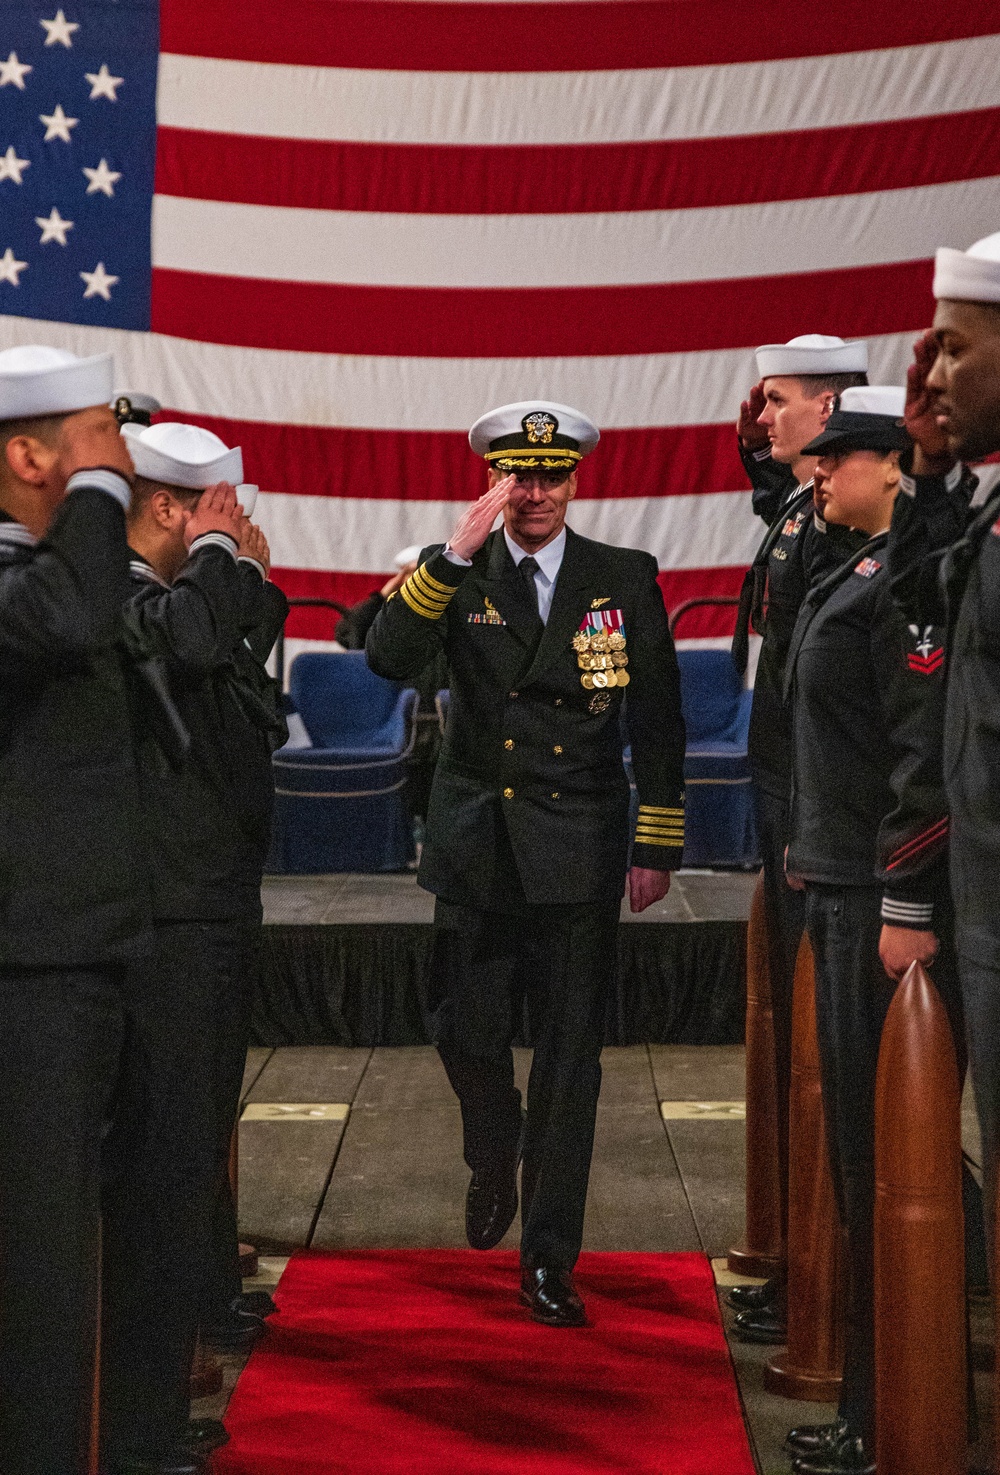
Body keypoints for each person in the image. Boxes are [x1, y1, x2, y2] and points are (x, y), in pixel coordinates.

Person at [366, 401, 687, 1327]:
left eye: (550, 475)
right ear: (495, 481)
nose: (535, 492)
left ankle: (549, 1259)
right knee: (464, 1031)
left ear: (574, 479)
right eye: (519, 475)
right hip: (476, 845)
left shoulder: (621, 576)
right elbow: (385, 658)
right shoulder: (457, 576)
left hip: (579, 849)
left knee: (570, 1066)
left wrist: (655, 842)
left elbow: (657, 719)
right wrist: (449, 555)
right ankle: (489, 1135)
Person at [781, 388, 962, 1475]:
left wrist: (903, 901)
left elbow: (917, 752)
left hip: (871, 898)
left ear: (891, 465)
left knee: (876, 1156)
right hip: (836, 880)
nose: (816, 474)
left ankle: (884, 1400)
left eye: (835, 460)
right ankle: (876, 1384)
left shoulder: (902, 582)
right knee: (857, 1156)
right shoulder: (854, 571)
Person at [0, 344, 164, 1475]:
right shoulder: (34, 578)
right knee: (42, 1267)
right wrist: (100, 488)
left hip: (77, 955)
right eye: (101, 442)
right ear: (28, 455)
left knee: (71, 1254)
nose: (123, 463)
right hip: (29, 971)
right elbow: (63, 617)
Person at [109, 421, 287, 1454]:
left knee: (185, 1158)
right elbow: (187, 642)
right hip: (166, 919)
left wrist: (233, 571)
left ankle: (157, 1388)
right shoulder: (127, 595)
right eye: (214, 507)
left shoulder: (174, 598)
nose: (234, 523)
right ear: (174, 507)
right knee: (163, 1170)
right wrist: (221, 557)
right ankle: (140, 1416)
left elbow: (226, 660)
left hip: (202, 900)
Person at [729, 335, 869, 1346]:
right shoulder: (795, 504)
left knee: (832, 1053)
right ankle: (806, 1264)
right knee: (799, 1039)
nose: (761, 416)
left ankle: (835, 1283)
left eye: (777, 402)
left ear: (827, 409)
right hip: (787, 794)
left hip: (819, 808)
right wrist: (760, 443)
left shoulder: (838, 522)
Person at [885, 230, 1000, 1267]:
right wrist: (925, 469)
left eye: (954, 348)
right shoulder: (985, 517)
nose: (932, 373)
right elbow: (918, 625)